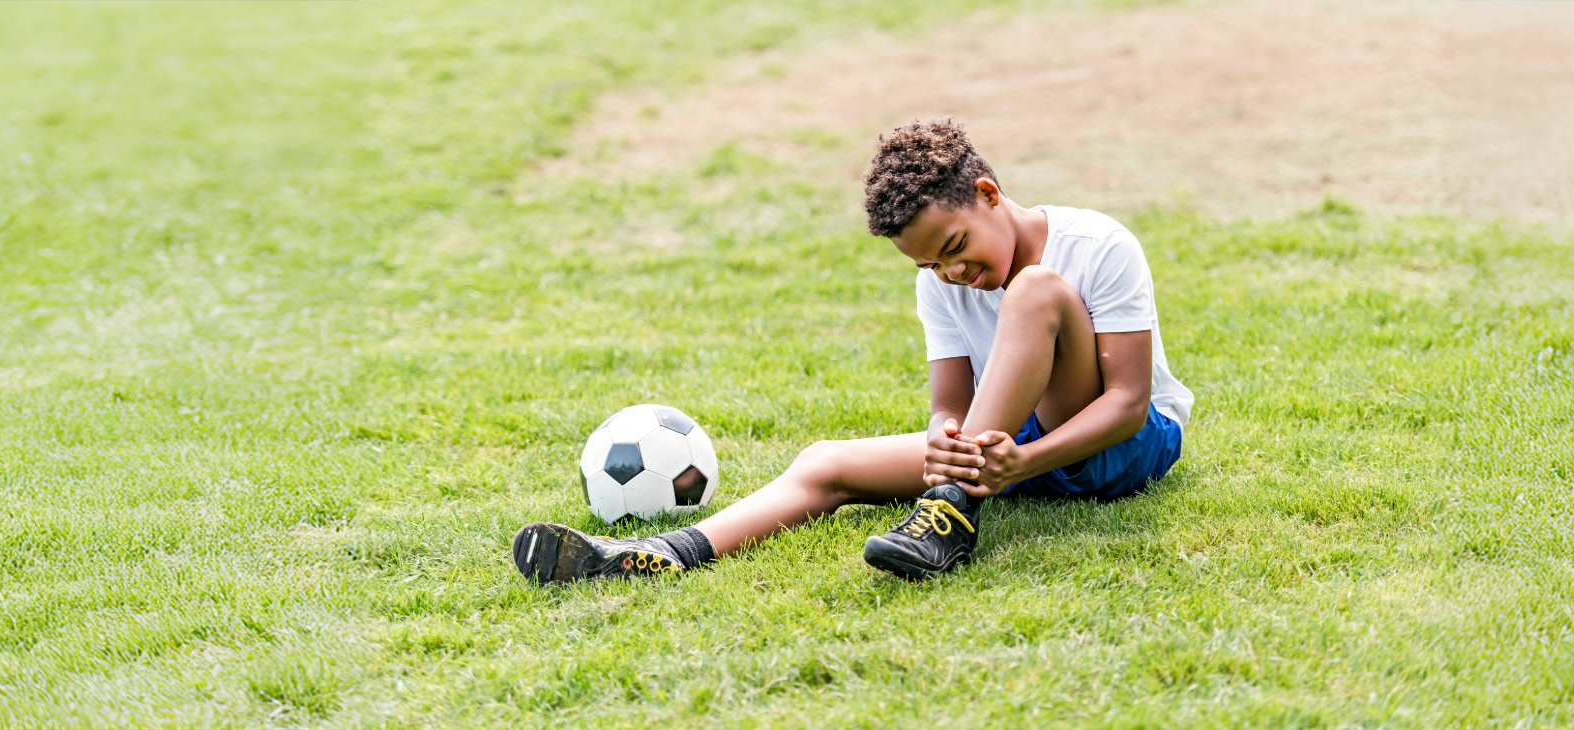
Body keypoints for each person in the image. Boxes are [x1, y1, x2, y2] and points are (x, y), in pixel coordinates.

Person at [511, 118, 1192, 582]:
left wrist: (1024, 463)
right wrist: (948, 441)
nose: (952, 275)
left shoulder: (1096, 244)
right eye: (930, 267)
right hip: (1003, 457)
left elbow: (1130, 404)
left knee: (1036, 291)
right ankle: (654, 555)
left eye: (954, 249)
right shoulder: (941, 284)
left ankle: (949, 512)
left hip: (1115, 447)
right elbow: (947, 408)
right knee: (825, 462)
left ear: (988, 194)